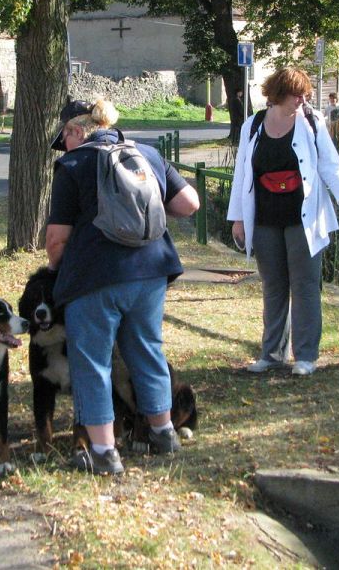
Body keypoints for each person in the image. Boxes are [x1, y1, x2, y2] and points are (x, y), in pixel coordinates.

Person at [46, 99, 200, 475]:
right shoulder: (147, 153)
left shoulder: (73, 164)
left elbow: (56, 240)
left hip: (95, 278)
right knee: (147, 349)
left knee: (92, 361)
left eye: (64, 136)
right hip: (151, 271)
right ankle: (163, 432)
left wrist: (59, 270)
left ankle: (103, 451)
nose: (64, 144)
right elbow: (190, 203)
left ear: (77, 130)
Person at [227, 67, 339, 376]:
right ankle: (272, 353)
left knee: (304, 285)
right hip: (264, 218)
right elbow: (242, 173)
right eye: (297, 95)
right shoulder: (252, 125)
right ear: (279, 95)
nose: (302, 100)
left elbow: (331, 164)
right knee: (274, 286)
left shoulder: (312, 123)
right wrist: (237, 217)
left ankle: (305, 355)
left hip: (303, 218)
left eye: (305, 95)